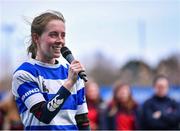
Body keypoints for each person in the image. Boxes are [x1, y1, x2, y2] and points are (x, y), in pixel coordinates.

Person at [12, 10, 90, 130]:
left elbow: (83, 121)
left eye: (63, 35)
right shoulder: (24, 73)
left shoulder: (73, 74)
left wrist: (72, 80)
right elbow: (44, 115)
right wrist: (69, 83)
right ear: (36, 38)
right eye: (53, 34)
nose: (60, 41)